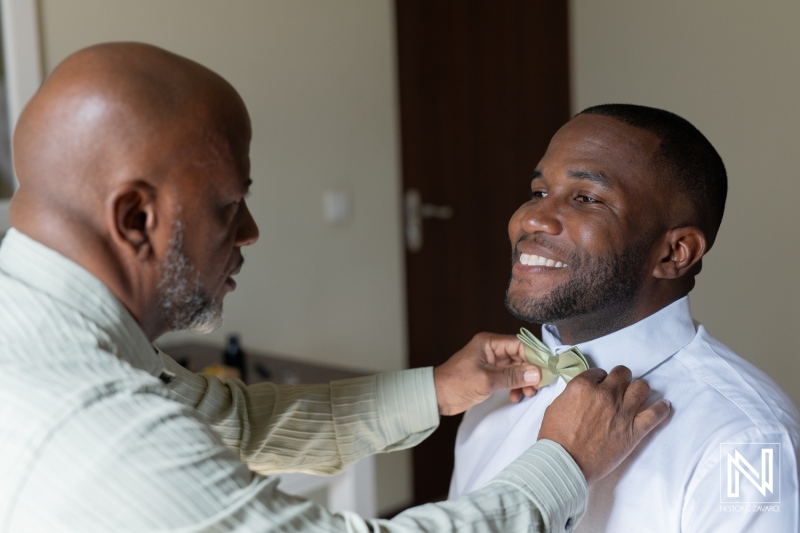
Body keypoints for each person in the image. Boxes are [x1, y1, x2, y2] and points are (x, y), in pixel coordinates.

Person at [0, 43, 669, 532]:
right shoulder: (93, 420)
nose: (251, 231)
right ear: (137, 217)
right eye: (228, 206)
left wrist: (433, 389)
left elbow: (237, 424)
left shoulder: (36, 312)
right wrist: (563, 463)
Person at [448, 104, 800, 531]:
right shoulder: (492, 390)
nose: (530, 218)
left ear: (674, 253)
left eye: (586, 199)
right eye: (539, 192)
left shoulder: (745, 442)